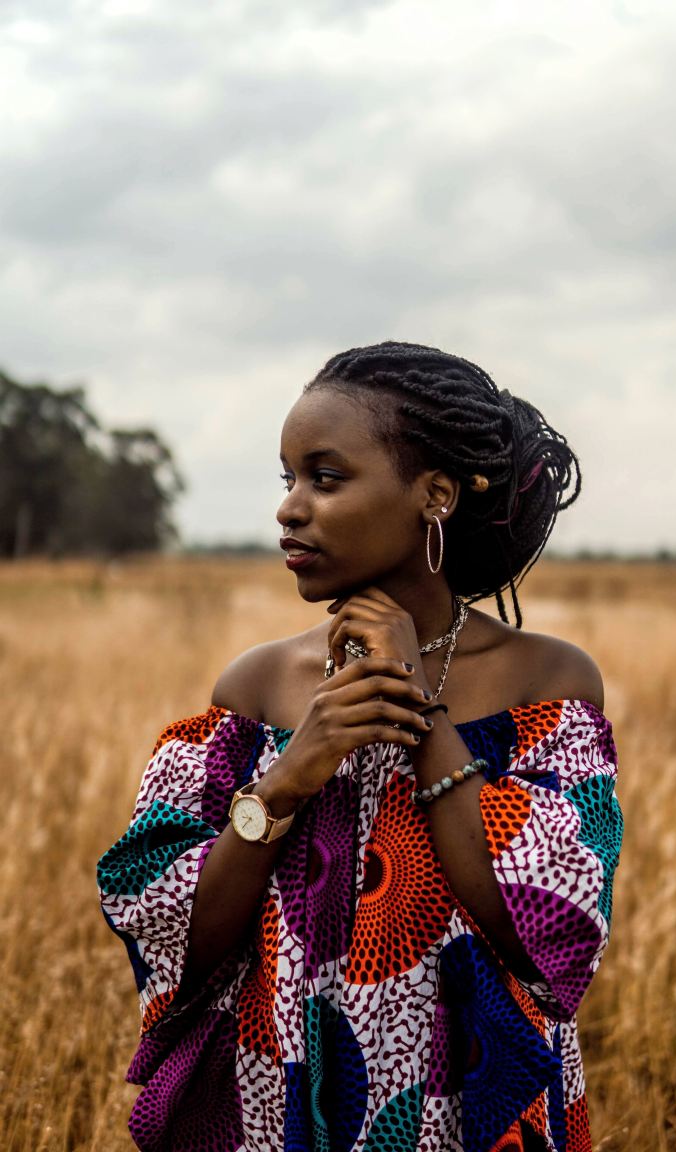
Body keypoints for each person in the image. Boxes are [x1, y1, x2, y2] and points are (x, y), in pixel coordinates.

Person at [98, 341, 622, 1152]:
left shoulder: (544, 686)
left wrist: (419, 710)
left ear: (434, 496)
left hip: (467, 1117)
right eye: (288, 479)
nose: (291, 508)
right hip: (283, 1107)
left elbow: (541, 933)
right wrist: (288, 775)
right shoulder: (257, 689)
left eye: (326, 477)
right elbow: (178, 946)